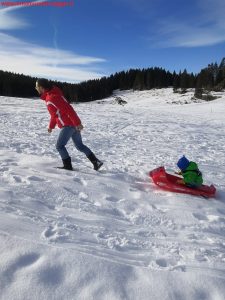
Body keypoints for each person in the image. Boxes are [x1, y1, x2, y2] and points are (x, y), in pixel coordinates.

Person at [35, 78, 103, 171]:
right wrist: (51, 126)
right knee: (80, 146)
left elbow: (68, 109)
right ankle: (96, 162)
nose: (36, 88)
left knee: (59, 146)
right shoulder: (51, 95)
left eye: (36, 86)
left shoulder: (52, 97)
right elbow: (54, 115)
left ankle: (67, 166)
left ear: (41, 87)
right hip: (72, 125)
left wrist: (78, 123)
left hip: (68, 125)